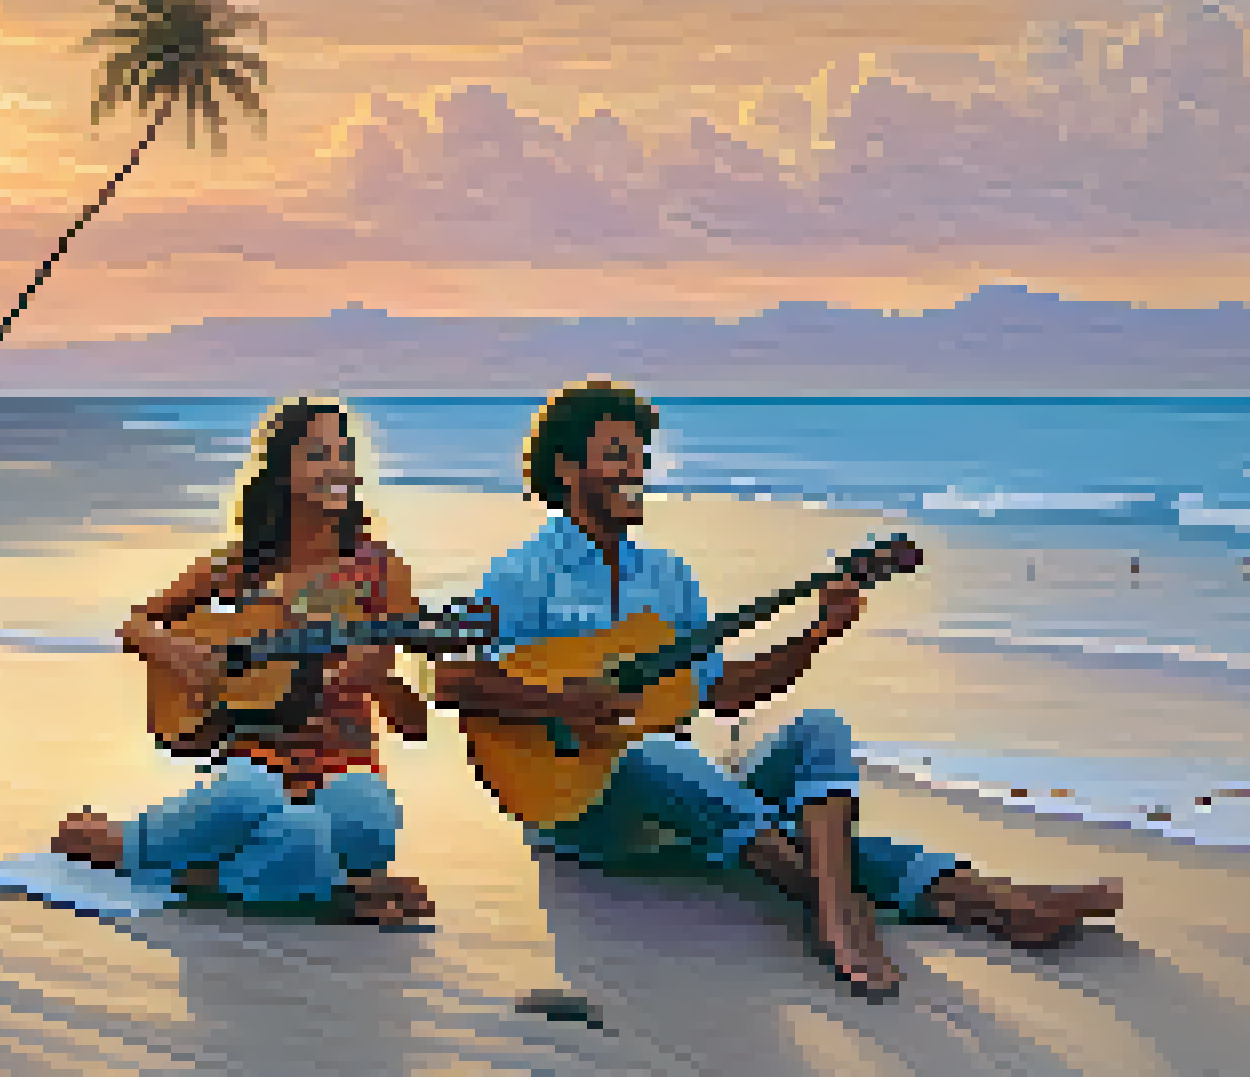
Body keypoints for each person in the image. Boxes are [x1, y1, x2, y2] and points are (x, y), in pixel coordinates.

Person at [433, 380, 1121, 995]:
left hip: (688, 800)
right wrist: (564, 705)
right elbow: (455, 680)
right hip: (574, 811)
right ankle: (859, 907)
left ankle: (996, 905)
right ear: (566, 467)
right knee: (651, 755)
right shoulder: (525, 573)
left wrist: (817, 636)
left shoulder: (668, 577)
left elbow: (722, 692)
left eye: (641, 454)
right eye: (616, 453)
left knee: (817, 731)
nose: (635, 468)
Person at [51, 397, 438, 927]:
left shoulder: (380, 571)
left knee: (367, 824)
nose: (338, 468)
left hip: (345, 763)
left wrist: (381, 682)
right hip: (254, 763)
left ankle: (208, 873)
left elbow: (413, 727)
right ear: (282, 474)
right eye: (319, 454)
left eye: (345, 454)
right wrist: (182, 656)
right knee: (256, 800)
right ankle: (127, 846)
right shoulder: (238, 566)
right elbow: (137, 625)